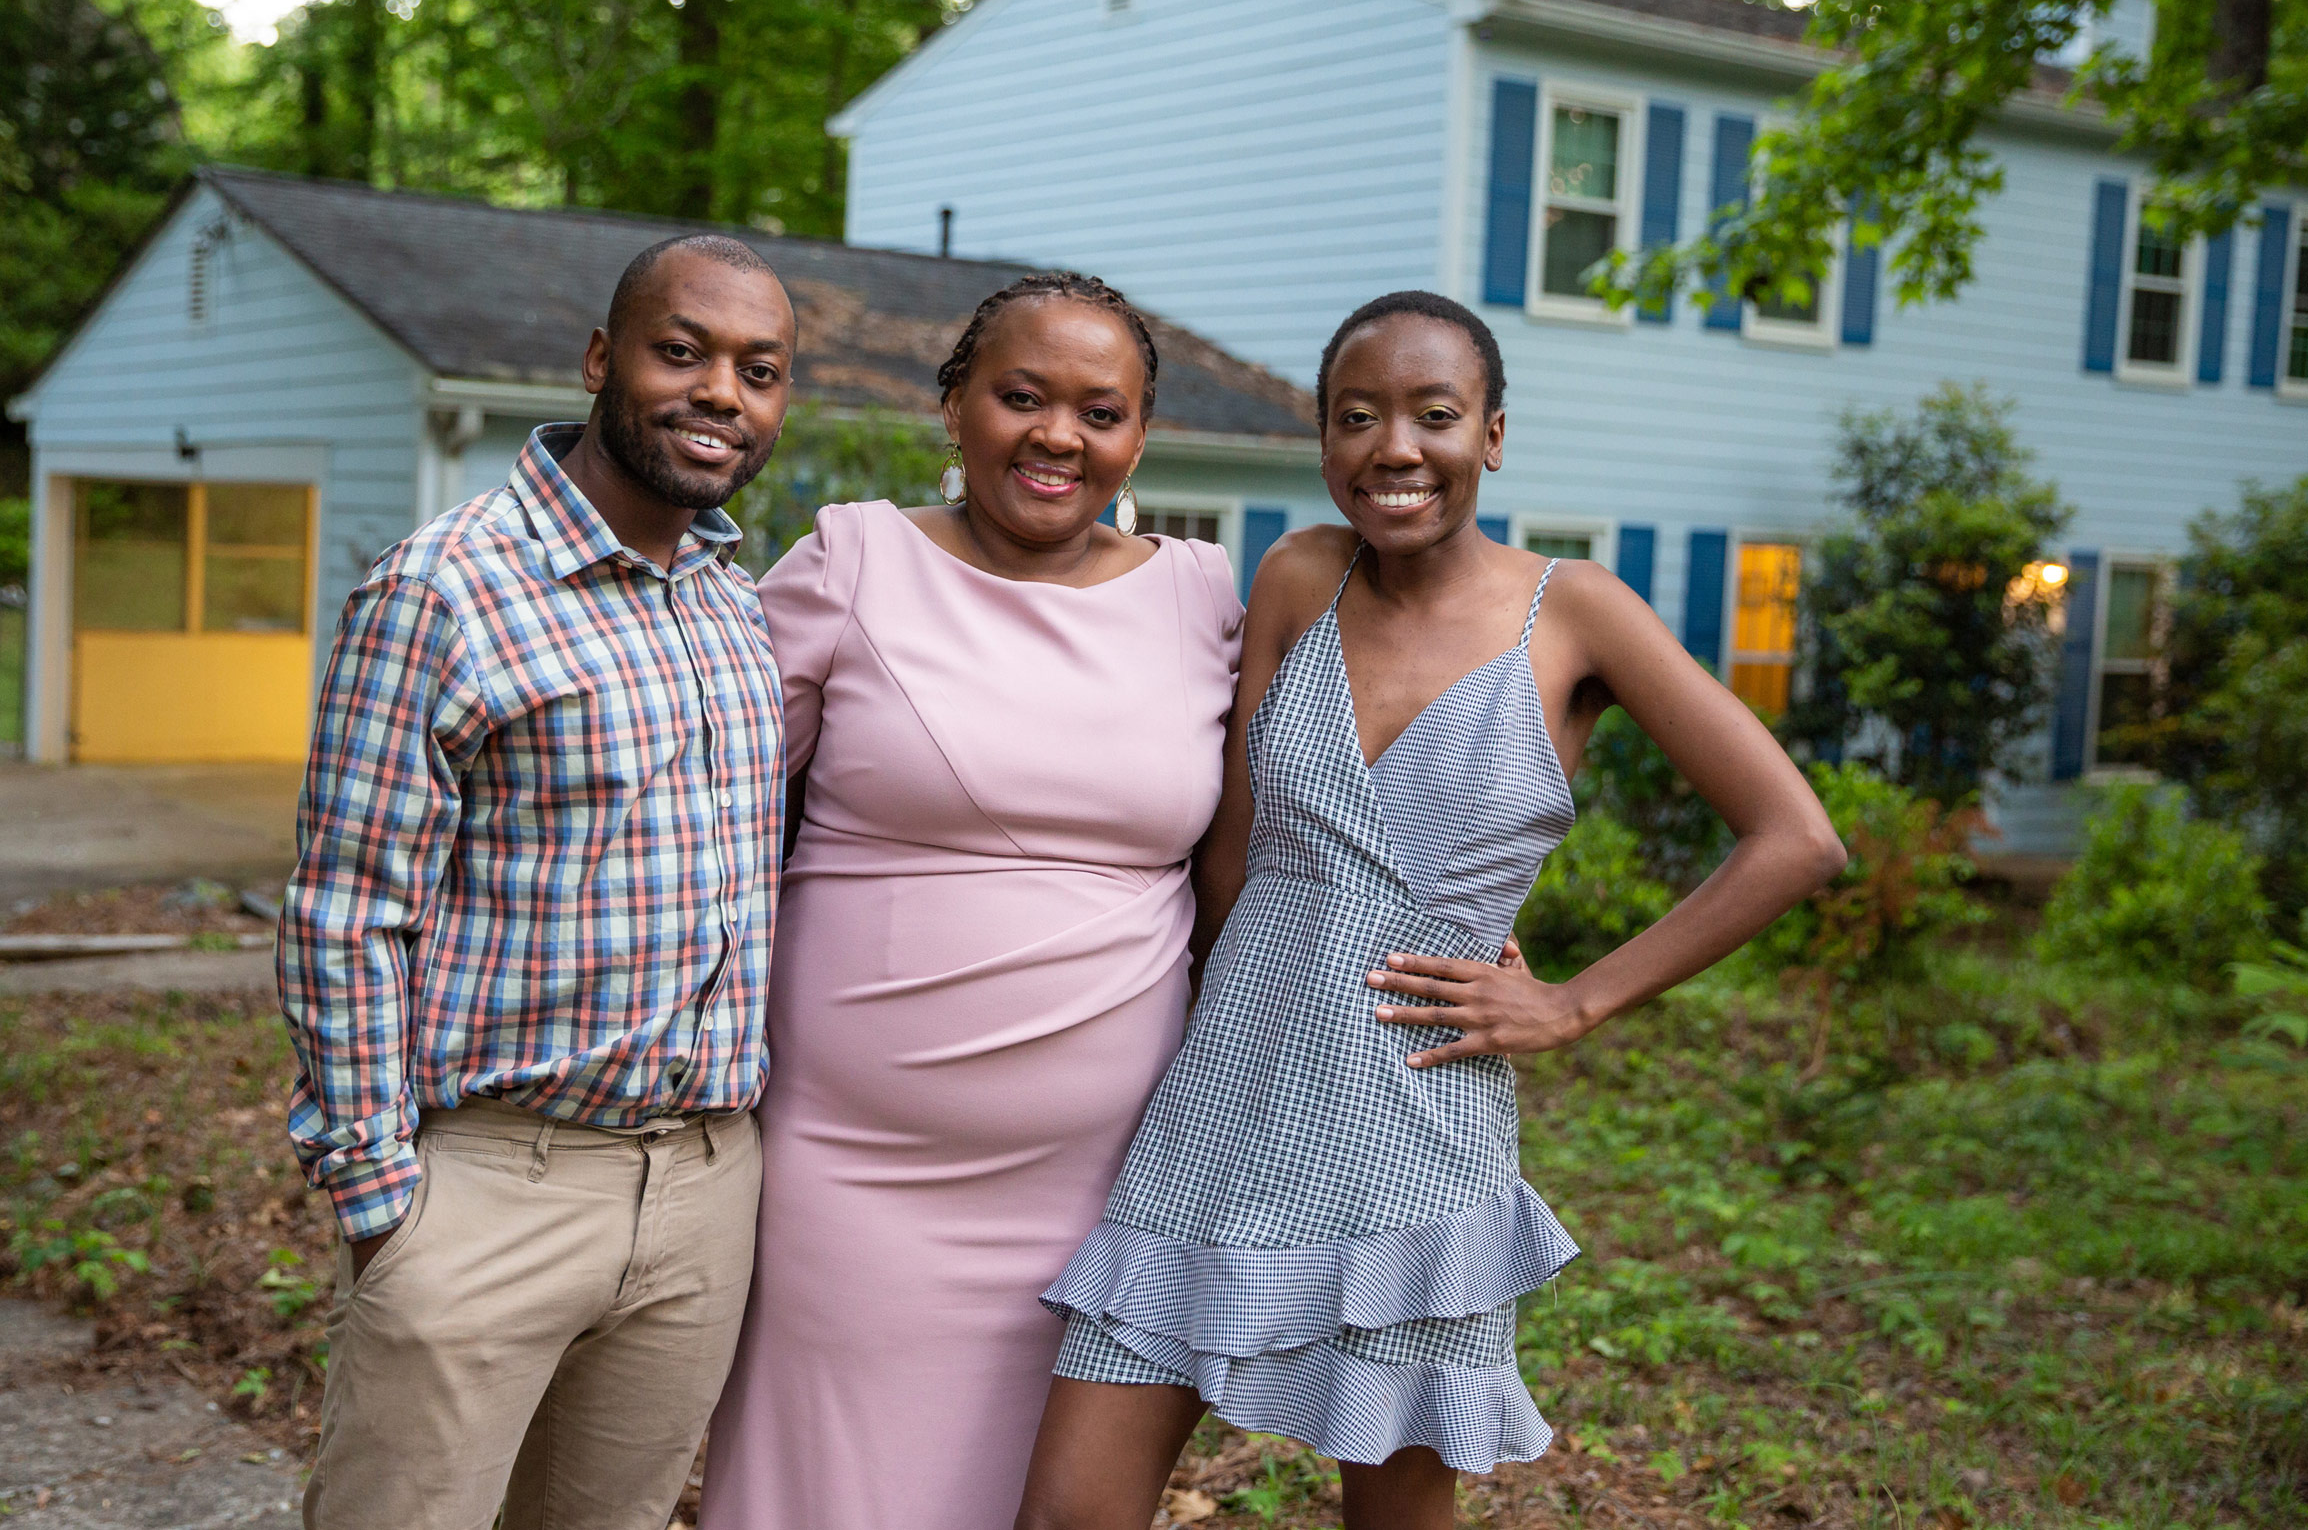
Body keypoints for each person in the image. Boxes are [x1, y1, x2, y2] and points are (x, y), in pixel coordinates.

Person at [1021, 291, 1847, 1530]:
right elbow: (1228, 854)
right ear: (1324, 440)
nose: (1394, 447)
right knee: (1070, 1508)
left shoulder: (1574, 614)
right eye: (1357, 417)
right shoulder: (1300, 573)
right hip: (1225, 1099)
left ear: (1493, 436)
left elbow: (1796, 838)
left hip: (1413, 1124)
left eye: (1434, 415)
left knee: (1393, 1520)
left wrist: (1572, 1000)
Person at [696, 274, 1244, 1530]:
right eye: (1021, 396)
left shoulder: (1205, 594)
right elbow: (696, 792)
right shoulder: (852, 558)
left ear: (1139, 436)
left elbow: (1299, 802)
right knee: (819, 1490)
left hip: (1100, 1184)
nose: (1059, 435)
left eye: (1100, 411)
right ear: (954, 406)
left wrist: (1435, 903)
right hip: (854, 1170)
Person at [277, 233, 797, 1530]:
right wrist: (381, 1195)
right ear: (600, 358)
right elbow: (346, 907)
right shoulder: (442, 588)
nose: (721, 392)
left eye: (760, 369)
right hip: (493, 1187)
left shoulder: (737, 609)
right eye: (683, 351)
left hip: (703, 1189)